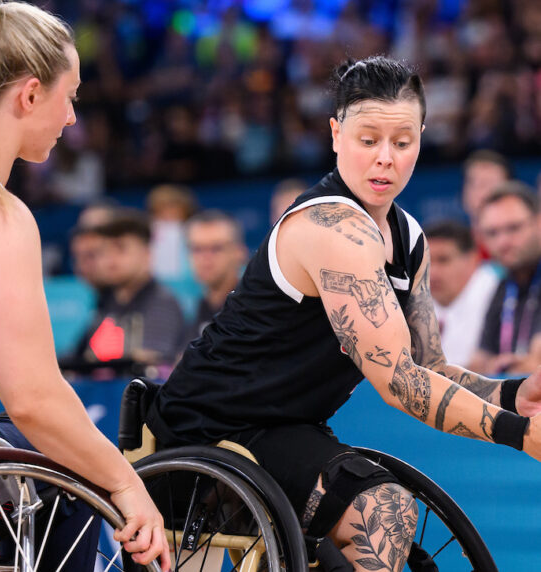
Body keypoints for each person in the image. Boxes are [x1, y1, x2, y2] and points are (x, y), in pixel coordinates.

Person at [142, 56, 541, 571]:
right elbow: (399, 382)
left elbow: (431, 368)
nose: (386, 159)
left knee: (389, 520)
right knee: (384, 508)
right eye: (368, 140)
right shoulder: (333, 228)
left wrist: (513, 394)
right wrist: (518, 433)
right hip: (207, 429)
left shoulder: (409, 235)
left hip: (281, 430)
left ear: (421, 136)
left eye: (402, 142)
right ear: (335, 133)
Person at [0, 2, 169, 569]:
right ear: (30, 95)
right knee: (73, 474)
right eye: (71, 95)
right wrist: (125, 484)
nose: (73, 118)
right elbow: (33, 399)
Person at [72, 209, 185, 374]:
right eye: (103, 251)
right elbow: (77, 360)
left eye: (121, 249)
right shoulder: (106, 303)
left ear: (147, 255)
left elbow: (153, 362)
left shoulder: (162, 301)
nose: (110, 259)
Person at [468, 181, 541, 375]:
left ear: (538, 223)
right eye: (492, 233)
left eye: (514, 228)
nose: (503, 242)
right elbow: (478, 363)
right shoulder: (503, 286)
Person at [425, 220, 499, 367]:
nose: (432, 273)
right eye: (426, 261)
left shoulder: (498, 294)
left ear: (473, 259)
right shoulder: (417, 299)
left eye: (443, 260)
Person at [184, 209, 248, 342]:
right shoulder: (201, 307)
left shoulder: (253, 308)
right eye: (197, 249)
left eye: (216, 248)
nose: (205, 258)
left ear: (239, 253)